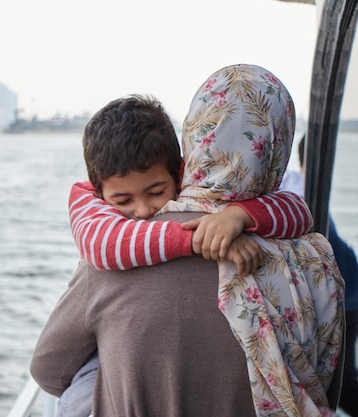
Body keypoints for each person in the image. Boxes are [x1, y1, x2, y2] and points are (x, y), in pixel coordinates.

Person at [30, 64, 345, 416]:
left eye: (153, 192)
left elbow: (48, 370)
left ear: (193, 145)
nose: (143, 210)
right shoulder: (315, 260)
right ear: (278, 144)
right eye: (124, 200)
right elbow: (329, 387)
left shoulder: (116, 255)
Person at [280, 135, 358, 417]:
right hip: (347, 290)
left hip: (344, 295)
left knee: (340, 382)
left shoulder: (290, 184)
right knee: (337, 380)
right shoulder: (307, 188)